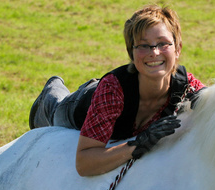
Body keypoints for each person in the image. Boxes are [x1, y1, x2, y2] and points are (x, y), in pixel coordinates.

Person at [29, 5, 205, 176]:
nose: (154, 52)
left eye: (163, 43)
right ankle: (51, 90)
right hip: (82, 103)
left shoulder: (187, 86)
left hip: (109, 102)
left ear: (178, 49)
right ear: (131, 52)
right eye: (143, 45)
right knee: (54, 111)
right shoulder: (112, 91)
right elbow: (84, 164)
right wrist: (139, 143)